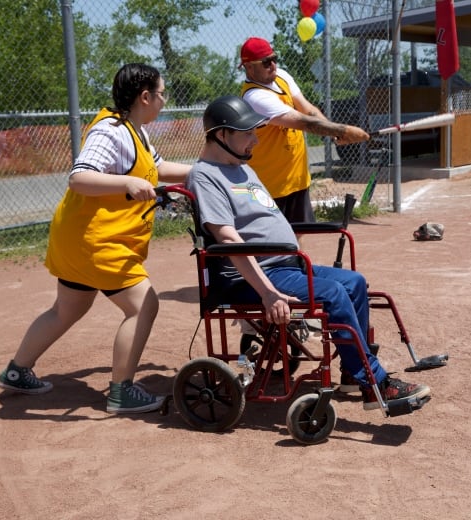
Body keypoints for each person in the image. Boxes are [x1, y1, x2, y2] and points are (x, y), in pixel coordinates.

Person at [185, 95, 431, 410]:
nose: (255, 140)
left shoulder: (240, 167)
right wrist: (268, 293)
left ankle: (353, 374)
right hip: (256, 277)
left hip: (284, 266)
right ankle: (376, 384)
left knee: (354, 282)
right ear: (222, 135)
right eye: (247, 133)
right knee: (333, 294)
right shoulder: (206, 176)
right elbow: (228, 241)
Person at [0, 63, 192, 414]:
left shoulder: (136, 130)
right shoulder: (110, 131)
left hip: (80, 239)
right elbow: (79, 177)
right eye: (161, 94)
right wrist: (126, 184)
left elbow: (157, 167)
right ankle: (121, 392)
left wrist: (203, 173)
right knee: (143, 305)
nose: (163, 101)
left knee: (68, 308)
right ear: (145, 97)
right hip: (96, 243)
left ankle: (16, 370)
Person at [239, 36, 369, 223]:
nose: (273, 65)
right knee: (272, 244)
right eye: (266, 62)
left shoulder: (281, 76)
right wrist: (344, 130)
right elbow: (303, 122)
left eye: (274, 58)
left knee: (299, 235)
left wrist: (335, 135)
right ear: (249, 67)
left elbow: (308, 110)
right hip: (270, 185)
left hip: (296, 179)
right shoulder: (255, 97)